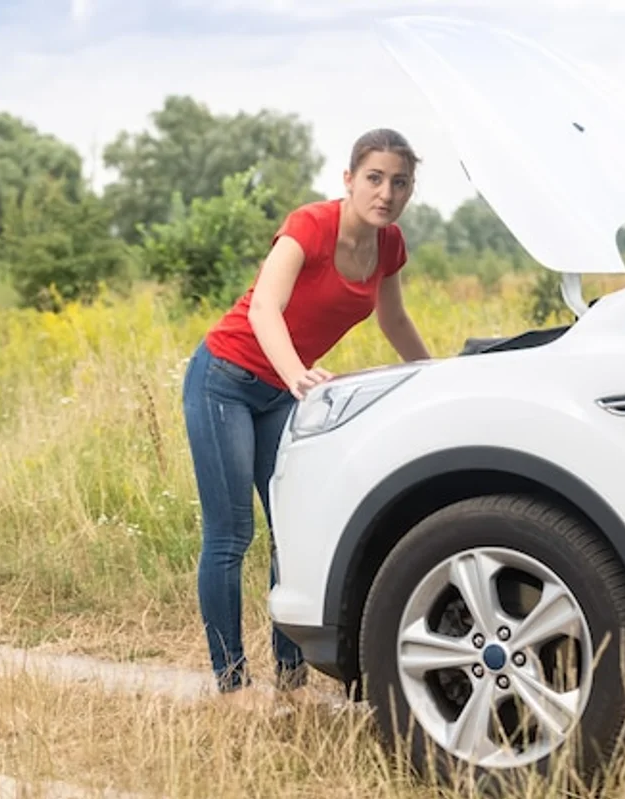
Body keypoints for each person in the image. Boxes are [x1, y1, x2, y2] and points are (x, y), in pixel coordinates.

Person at [181, 127, 432, 702]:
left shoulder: (389, 245)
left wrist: (437, 377)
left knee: (289, 534)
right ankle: (232, 684)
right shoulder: (309, 226)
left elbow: (394, 319)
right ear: (348, 179)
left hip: (280, 393)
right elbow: (265, 307)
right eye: (374, 178)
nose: (386, 193)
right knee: (231, 534)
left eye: (400, 183)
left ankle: (290, 681)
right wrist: (297, 373)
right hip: (224, 381)